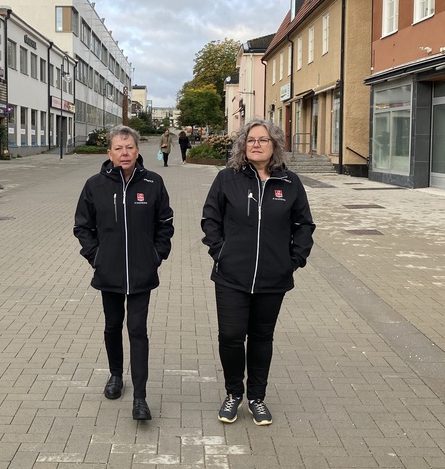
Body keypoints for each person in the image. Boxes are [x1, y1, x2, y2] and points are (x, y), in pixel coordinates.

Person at [200, 119, 316, 426]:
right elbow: (210, 218)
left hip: (273, 278)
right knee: (231, 336)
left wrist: (293, 260)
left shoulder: (289, 183)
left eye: (263, 140)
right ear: (243, 145)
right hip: (231, 276)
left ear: (274, 145)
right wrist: (220, 252)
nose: (256, 144)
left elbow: (304, 225)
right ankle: (233, 394)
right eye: (251, 140)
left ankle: (256, 398)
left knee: (262, 338)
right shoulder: (227, 179)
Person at [74, 125, 175, 421]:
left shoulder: (153, 183)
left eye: (129, 147)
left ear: (137, 150)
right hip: (110, 272)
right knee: (112, 325)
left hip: (142, 273)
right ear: (109, 153)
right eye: (118, 148)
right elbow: (82, 226)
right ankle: (116, 375)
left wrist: (156, 255)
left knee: (137, 330)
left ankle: (141, 398)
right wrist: (97, 257)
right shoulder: (95, 185)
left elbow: (165, 223)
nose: (124, 153)